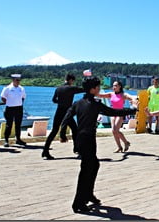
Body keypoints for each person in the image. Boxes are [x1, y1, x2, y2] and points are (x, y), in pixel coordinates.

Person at [60, 75, 138, 213]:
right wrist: (132, 110)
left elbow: (67, 115)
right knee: (86, 170)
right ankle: (78, 203)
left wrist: (62, 132)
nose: (100, 88)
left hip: (83, 139)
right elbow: (113, 111)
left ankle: (88, 194)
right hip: (87, 140)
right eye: (98, 87)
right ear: (93, 89)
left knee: (94, 165)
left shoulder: (79, 103)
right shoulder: (95, 104)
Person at [41, 74, 84, 160]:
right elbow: (83, 89)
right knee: (75, 130)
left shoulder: (58, 88)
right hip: (67, 113)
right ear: (71, 80)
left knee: (54, 131)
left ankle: (45, 150)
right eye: (73, 81)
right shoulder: (71, 88)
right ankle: (77, 149)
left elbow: (54, 100)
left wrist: (61, 102)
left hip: (59, 112)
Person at [98, 81, 136, 153]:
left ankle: (126, 142)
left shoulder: (123, 95)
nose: (114, 87)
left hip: (120, 113)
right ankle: (119, 147)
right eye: (113, 86)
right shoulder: (111, 94)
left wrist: (133, 101)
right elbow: (100, 95)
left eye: (115, 86)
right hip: (113, 113)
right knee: (113, 131)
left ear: (120, 86)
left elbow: (131, 97)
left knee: (116, 130)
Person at [0, 74, 27, 147]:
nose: (18, 81)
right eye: (17, 80)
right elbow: (3, 97)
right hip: (10, 108)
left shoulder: (21, 88)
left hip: (19, 108)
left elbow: (23, 97)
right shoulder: (7, 88)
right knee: (9, 125)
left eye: (19, 80)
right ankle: (6, 140)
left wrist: (19, 103)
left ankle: (18, 139)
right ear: (13, 80)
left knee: (18, 125)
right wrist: (9, 103)